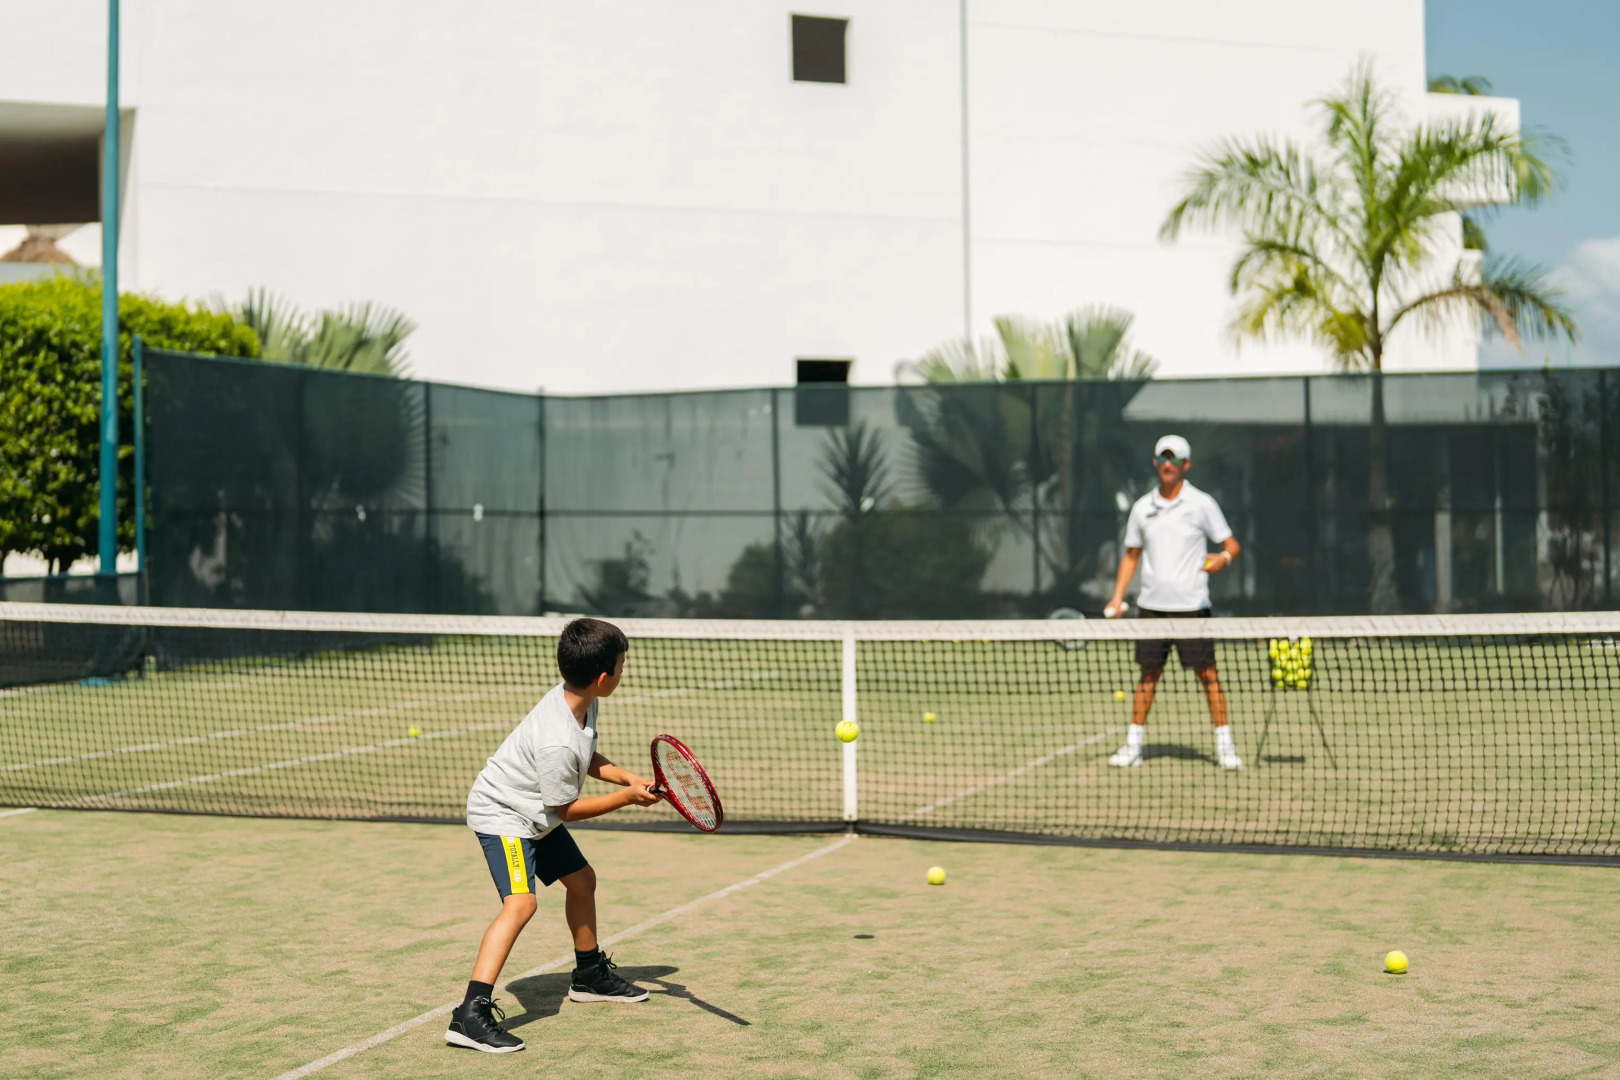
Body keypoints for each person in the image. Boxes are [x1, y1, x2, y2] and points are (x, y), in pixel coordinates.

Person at [446, 617, 660, 1054]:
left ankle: (589, 975)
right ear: (602, 678)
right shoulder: (557, 739)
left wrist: (627, 778)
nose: (623, 673)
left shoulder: (578, 700)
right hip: (505, 815)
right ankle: (469, 1014)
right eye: (622, 666)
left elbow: (586, 756)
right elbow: (567, 810)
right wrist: (626, 799)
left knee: (582, 881)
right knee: (521, 904)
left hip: (534, 811)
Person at [1103, 435, 1244, 770]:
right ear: (1156, 463)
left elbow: (1232, 545)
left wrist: (1223, 558)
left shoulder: (1202, 504)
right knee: (1148, 676)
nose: (1169, 464)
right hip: (1152, 607)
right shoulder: (1142, 508)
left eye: (1175, 459)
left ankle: (1225, 748)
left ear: (1186, 464)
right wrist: (1117, 598)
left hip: (1192, 606)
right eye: (1163, 458)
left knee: (1208, 675)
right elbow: (1131, 556)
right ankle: (1133, 747)